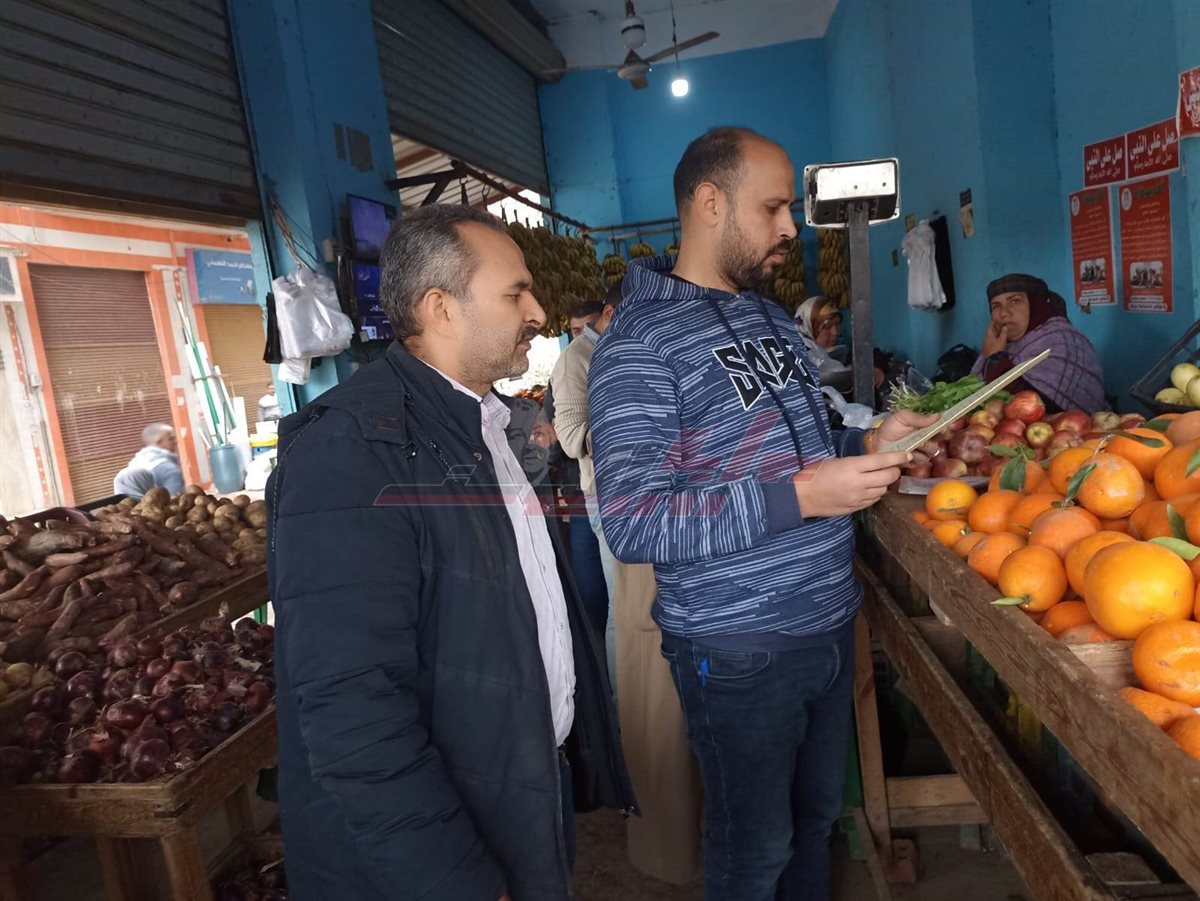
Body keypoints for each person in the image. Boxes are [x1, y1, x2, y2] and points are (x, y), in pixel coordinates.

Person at [589, 126, 934, 901]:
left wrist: (868, 439)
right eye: (773, 208)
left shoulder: (771, 320)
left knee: (814, 823)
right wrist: (803, 498)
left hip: (827, 623)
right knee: (754, 848)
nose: (789, 228)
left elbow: (803, 447)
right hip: (738, 647)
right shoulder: (640, 344)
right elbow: (635, 521)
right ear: (710, 204)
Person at [267, 204, 634, 901]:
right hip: (442, 851)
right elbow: (354, 713)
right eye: (515, 294)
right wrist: (456, 881)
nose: (538, 311)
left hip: (518, 789)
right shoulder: (351, 453)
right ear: (440, 308)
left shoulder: (483, 423)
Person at [550, 286, 621, 676]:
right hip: (606, 497)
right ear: (609, 314)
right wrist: (630, 420)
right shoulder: (575, 359)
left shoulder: (623, 348)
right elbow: (571, 437)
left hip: (643, 492)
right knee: (623, 609)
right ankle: (623, 702)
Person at [973, 273, 1106, 413]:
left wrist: (995, 360)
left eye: (1015, 301)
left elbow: (1040, 408)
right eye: (996, 306)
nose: (1003, 313)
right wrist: (991, 355)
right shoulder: (998, 343)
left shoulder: (1062, 341)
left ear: (1036, 305)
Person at [793, 295, 852, 392]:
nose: (835, 332)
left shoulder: (843, 353)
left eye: (837, 325)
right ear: (809, 328)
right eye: (827, 327)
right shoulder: (803, 356)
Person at [112, 423, 184, 498]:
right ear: (159, 441)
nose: (176, 441)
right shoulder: (170, 470)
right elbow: (176, 499)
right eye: (171, 439)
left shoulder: (137, 462)